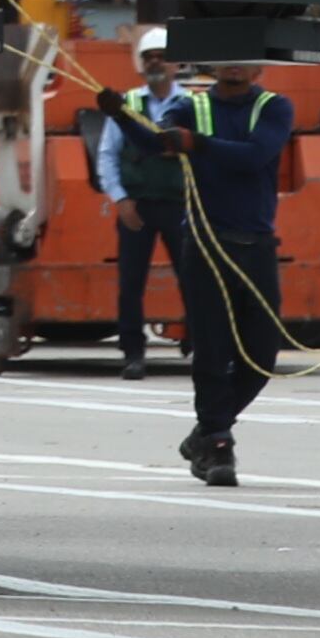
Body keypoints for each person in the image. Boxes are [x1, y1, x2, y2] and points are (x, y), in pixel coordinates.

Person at [96, 51, 289, 486]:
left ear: (258, 68)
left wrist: (198, 144)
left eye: (244, 59)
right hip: (204, 243)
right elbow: (154, 143)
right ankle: (218, 443)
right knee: (212, 348)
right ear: (211, 65)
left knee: (262, 354)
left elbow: (255, 156)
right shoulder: (191, 107)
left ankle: (205, 431)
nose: (234, 65)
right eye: (226, 58)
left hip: (255, 245)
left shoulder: (273, 107)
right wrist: (121, 116)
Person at [90, 27, 192, 380]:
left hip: (180, 206)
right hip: (137, 207)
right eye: (149, 57)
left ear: (176, 64)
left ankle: (197, 339)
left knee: (193, 277)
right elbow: (108, 155)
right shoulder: (127, 105)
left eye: (161, 57)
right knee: (131, 284)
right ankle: (133, 353)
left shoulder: (191, 105)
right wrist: (120, 199)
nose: (155, 63)